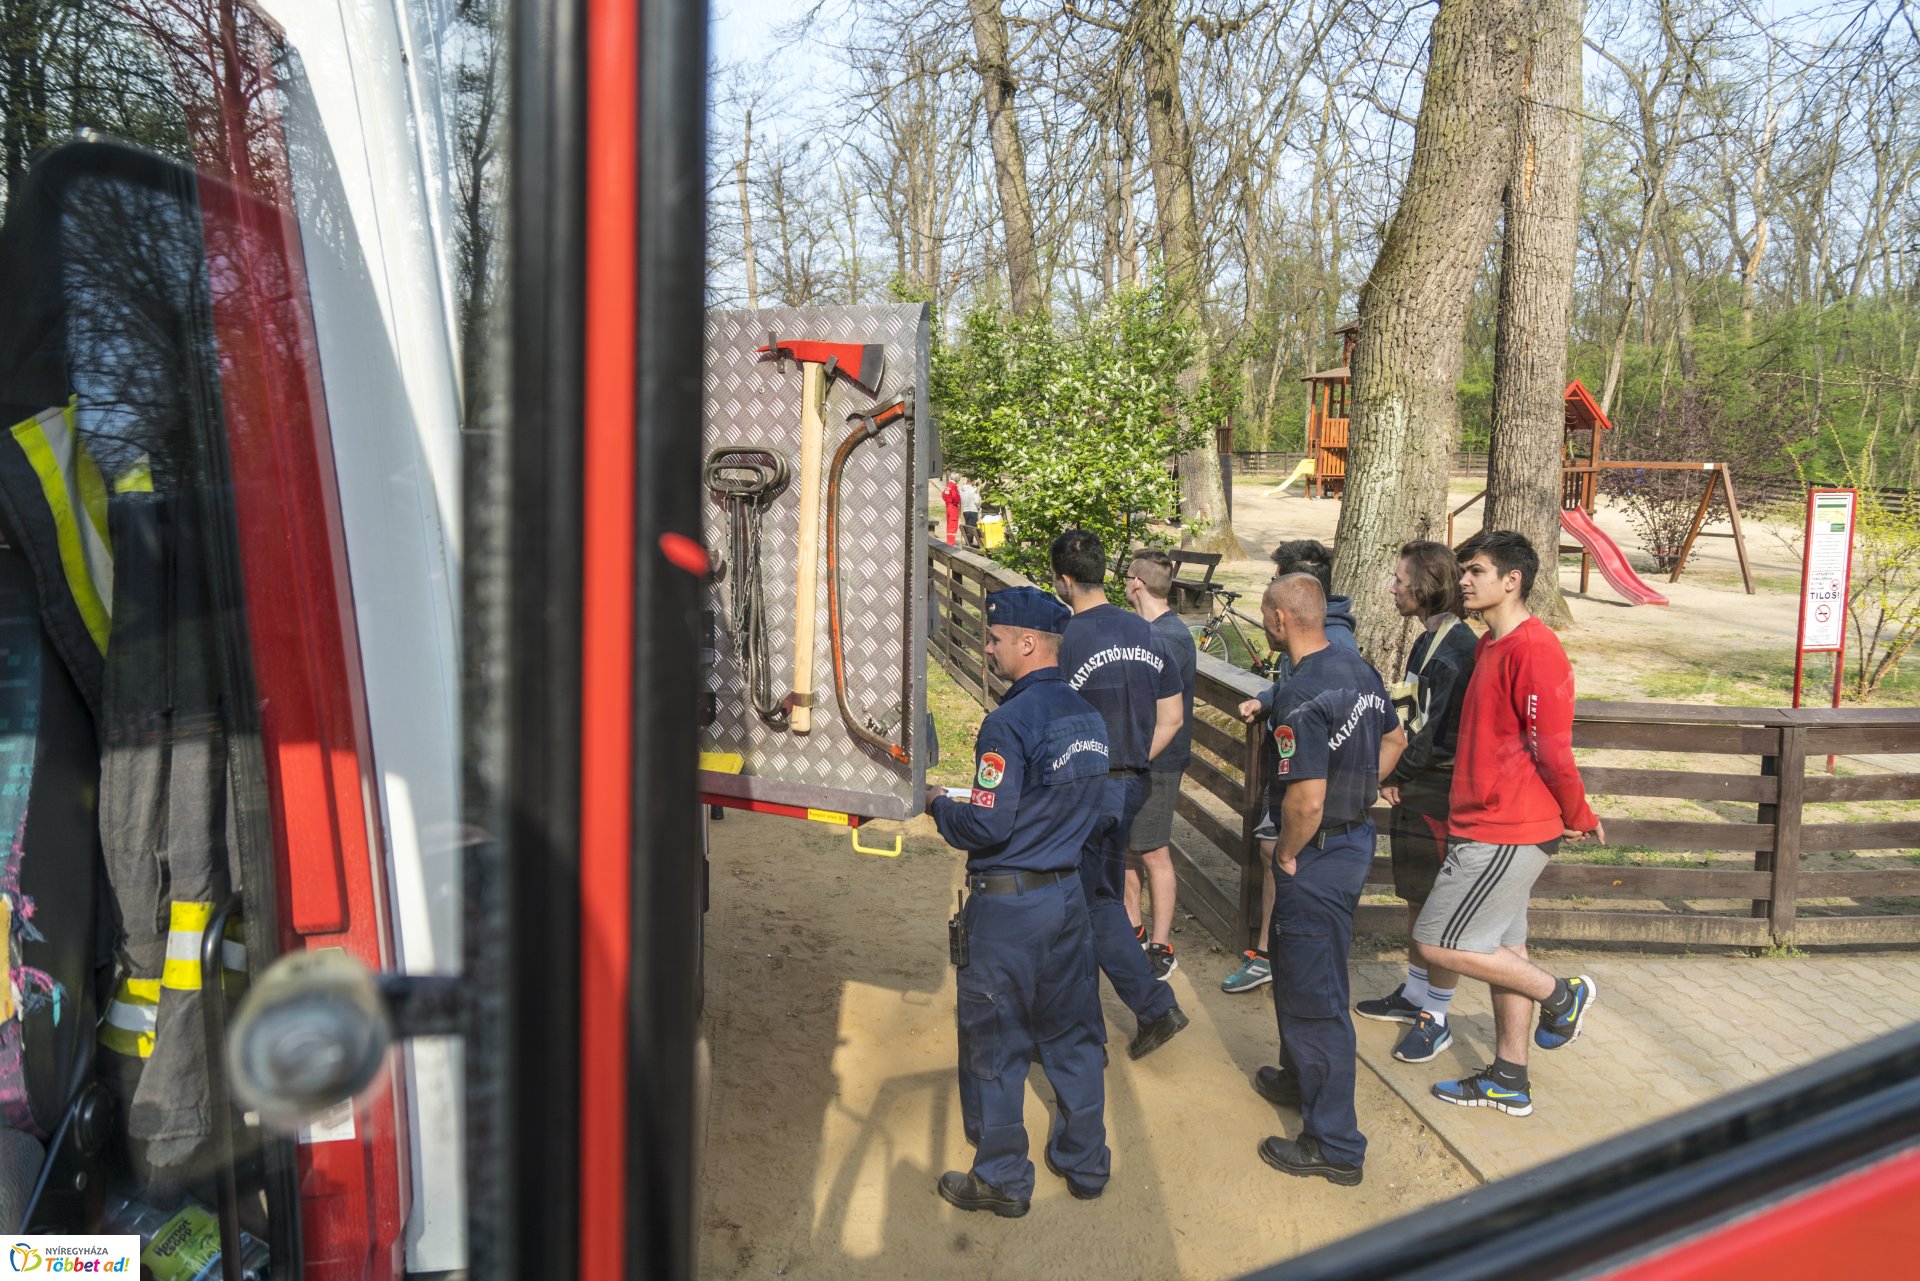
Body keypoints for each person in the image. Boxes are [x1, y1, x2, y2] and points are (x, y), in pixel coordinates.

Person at [925, 586, 1112, 1216]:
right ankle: (1085, 1160)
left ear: (1027, 643)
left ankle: (1003, 1177)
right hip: (1067, 899)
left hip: (1009, 909)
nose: (988, 646)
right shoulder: (1088, 717)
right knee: (1074, 1034)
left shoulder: (1007, 723)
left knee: (995, 1041)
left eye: (996, 638)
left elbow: (986, 826)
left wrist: (937, 805)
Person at [1413, 529, 1605, 1118]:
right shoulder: (1490, 646)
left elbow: (1552, 747)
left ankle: (1563, 994)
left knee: (1436, 942)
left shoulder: (1533, 649)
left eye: (1475, 570)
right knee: (1505, 952)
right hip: (1486, 822)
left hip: (1506, 830)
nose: (1463, 579)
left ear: (1512, 579)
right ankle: (1509, 1078)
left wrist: (1578, 813)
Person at [1249, 574, 1406, 1186]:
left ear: (1280, 620)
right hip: (1352, 840)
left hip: (1315, 853)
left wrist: (1287, 852)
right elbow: (1394, 738)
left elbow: (1305, 800)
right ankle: (1298, 1079)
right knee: (1295, 967)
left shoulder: (1300, 693)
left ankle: (1335, 1144)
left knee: (1316, 999)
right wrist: (1361, 786)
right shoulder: (1357, 668)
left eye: (1267, 614)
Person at [1051, 529, 1191, 1060]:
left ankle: (1134, 1013)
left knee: (1087, 905)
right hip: (1134, 783)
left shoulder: (1070, 640)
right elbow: (1173, 716)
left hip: (1085, 790)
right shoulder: (1150, 632)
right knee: (1100, 897)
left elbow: (1054, 719)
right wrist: (1131, 758)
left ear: (1064, 580)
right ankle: (1133, 1014)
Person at [1355, 541, 1478, 1065]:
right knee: (1416, 896)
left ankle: (1439, 1015)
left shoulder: (1457, 648)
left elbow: (1430, 733)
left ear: (1425, 583)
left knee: (1440, 905)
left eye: (1400, 578)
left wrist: (1392, 774)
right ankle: (1415, 993)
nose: (1392, 587)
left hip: (1438, 791)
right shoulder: (1427, 640)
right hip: (1415, 785)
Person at [1222, 539, 1360, 994]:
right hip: (1306, 784)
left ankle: (1272, 954)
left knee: (1282, 855)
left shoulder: (1335, 646)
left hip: (1313, 793)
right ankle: (1268, 949)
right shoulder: (1314, 644)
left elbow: (1328, 714)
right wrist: (1267, 698)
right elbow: (1294, 686)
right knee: (1271, 852)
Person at [1121, 551, 1195, 980]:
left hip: (1159, 762)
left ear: (1137, 584)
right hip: (1135, 760)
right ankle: (1133, 930)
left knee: (1153, 851)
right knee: (1128, 849)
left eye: (1126, 576)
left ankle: (1162, 946)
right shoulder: (1148, 631)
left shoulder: (1170, 639)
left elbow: (1160, 711)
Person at [959, 478, 982, 547]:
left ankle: (968, 542)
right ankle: (970, 543)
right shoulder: (973, 489)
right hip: (973, 509)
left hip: (965, 510)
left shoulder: (962, 489)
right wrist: (978, 506)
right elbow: (977, 501)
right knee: (973, 528)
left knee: (968, 526)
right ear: (972, 481)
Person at [941, 477, 962, 546]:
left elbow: (943, 495)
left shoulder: (948, 485)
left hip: (948, 507)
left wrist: (947, 501)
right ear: (957, 479)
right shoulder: (953, 486)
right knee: (953, 525)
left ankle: (949, 541)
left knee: (949, 525)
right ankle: (951, 543)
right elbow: (954, 496)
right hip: (953, 507)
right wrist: (958, 502)